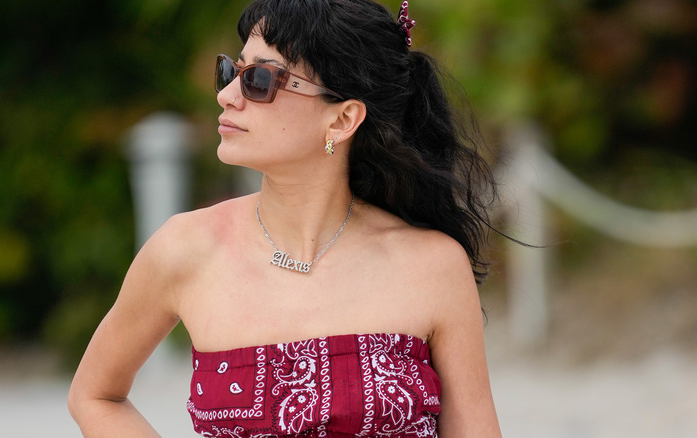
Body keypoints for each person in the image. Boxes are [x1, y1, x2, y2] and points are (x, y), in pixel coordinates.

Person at [68, 0, 504, 436]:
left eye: (259, 79)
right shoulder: (186, 249)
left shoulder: (432, 266)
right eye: (231, 71)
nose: (226, 95)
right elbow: (95, 395)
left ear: (343, 119)